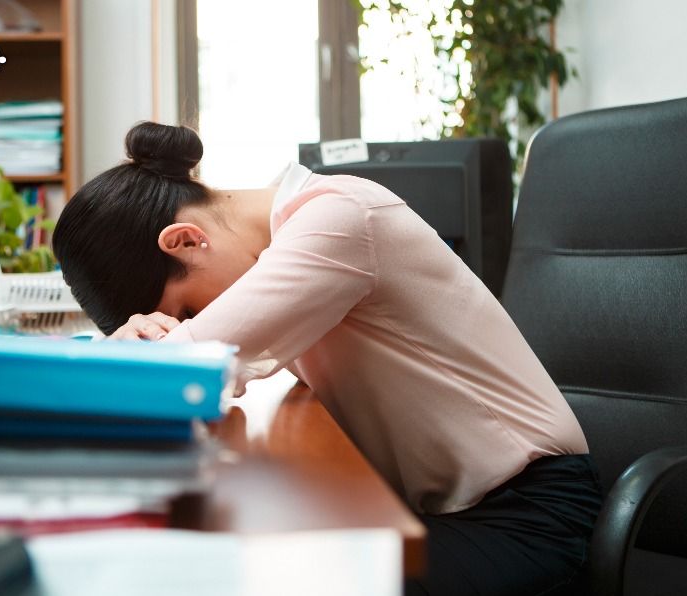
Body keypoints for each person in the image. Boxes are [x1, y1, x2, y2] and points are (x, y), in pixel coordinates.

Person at [52, 121, 603, 596]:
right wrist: (134, 341)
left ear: (186, 240)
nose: (195, 321)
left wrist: (140, 349)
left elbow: (194, 365)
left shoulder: (337, 221)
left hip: (531, 516)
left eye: (188, 308)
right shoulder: (294, 234)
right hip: (452, 508)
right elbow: (209, 372)